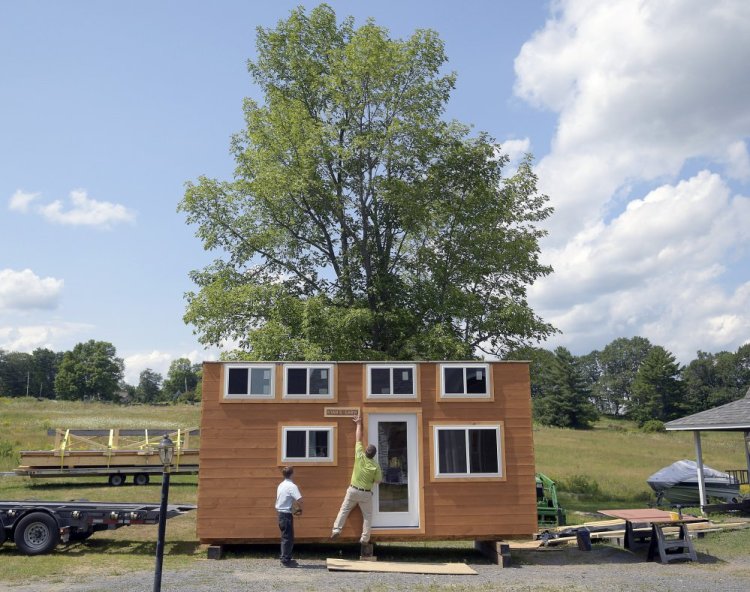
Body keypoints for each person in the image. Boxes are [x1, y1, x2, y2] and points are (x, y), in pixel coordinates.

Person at [330, 414, 382, 544]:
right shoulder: (376, 466)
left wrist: (358, 423)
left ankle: (336, 530)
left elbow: (358, 439)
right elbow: (378, 481)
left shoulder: (359, 456)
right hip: (365, 494)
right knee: (367, 516)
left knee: (344, 510)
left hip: (353, 490)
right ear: (374, 455)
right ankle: (365, 539)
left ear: (365, 451)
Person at [275, 465, 302, 567]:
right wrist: (297, 506)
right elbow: (300, 499)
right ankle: (286, 561)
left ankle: (286, 558)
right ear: (292, 474)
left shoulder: (281, 485)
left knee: (285, 537)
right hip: (286, 515)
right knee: (288, 538)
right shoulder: (292, 486)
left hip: (280, 514)